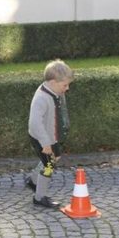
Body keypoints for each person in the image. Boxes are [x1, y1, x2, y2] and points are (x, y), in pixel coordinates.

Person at [25, 59, 73, 208]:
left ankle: (33, 180)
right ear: (53, 82)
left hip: (52, 136)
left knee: (56, 157)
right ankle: (39, 198)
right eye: (65, 85)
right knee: (49, 165)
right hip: (42, 138)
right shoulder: (41, 98)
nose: (67, 88)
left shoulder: (54, 91)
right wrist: (45, 143)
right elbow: (35, 123)